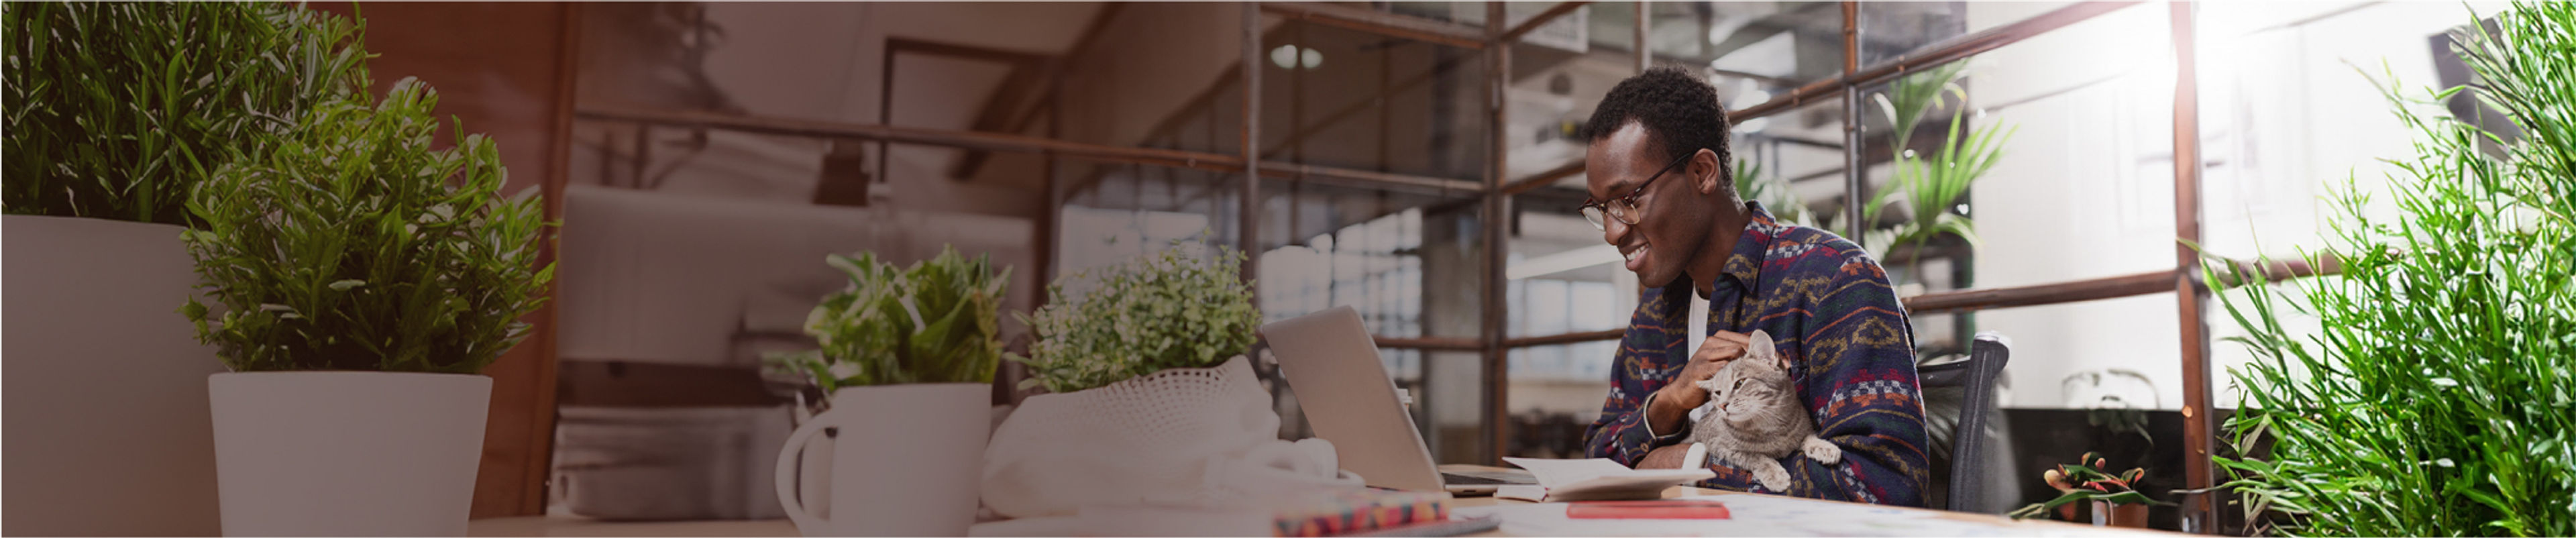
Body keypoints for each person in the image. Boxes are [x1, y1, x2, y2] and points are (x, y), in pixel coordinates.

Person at [1575, 66, 1931, 507]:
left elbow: (1886, 484)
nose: (1612, 232)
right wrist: (1666, 405)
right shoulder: (1656, 312)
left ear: (1703, 172)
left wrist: (1691, 466)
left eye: (1627, 200)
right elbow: (1599, 458)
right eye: (1602, 208)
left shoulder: (1833, 280)